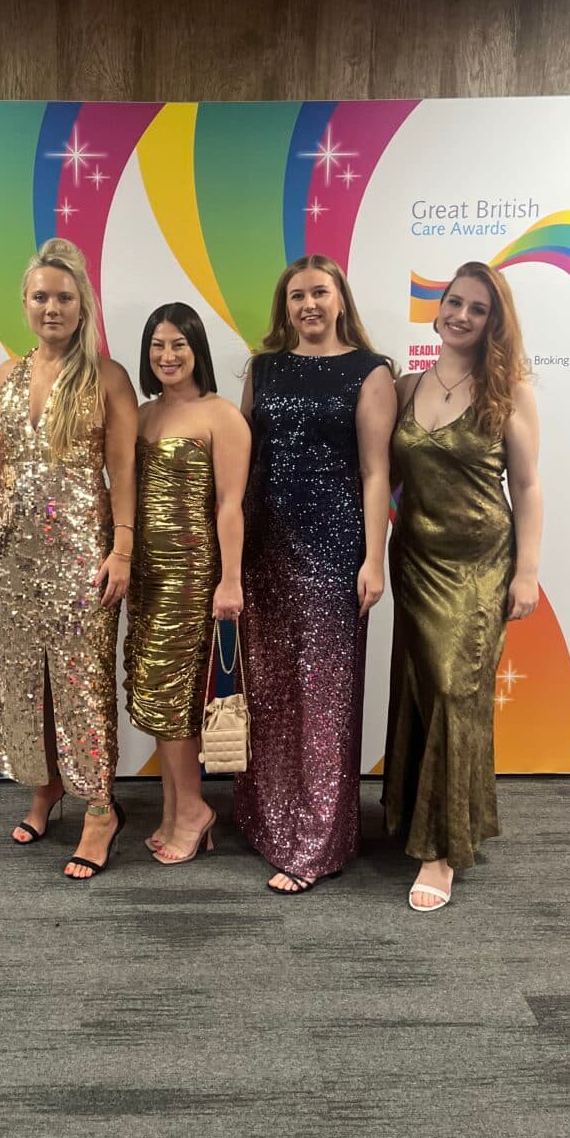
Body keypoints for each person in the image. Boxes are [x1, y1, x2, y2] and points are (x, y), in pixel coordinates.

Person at [0, 238, 138, 881]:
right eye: (40, 296)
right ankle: (46, 784)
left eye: (63, 297)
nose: (51, 307)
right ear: (26, 303)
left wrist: (121, 548)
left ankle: (99, 808)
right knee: (25, 679)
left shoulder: (108, 378)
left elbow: (122, 471)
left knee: (82, 683)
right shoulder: (7, 372)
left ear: (83, 304)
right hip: (14, 555)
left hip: (83, 556)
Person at [234, 254, 397, 895]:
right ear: (286, 306)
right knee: (271, 690)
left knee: (324, 696)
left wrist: (373, 559)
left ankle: (320, 840)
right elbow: (245, 461)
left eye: (319, 293)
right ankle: (269, 821)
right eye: (297, 295)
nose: (308, 305)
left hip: (335, 552)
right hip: (265, 546)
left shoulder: (370, 371)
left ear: (339, 299)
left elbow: (376, 472)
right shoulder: (264, 368)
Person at [382, 261, 542, 913]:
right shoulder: (404, 382)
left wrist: (527, 570)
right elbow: (377, 472)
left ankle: (443, 849)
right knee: (424, 690)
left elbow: (528, 487)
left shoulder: (511, 389)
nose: (462, 316)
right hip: (415, 558)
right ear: (438, 307)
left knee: (456, 691)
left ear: (492, 322)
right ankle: (421, 818)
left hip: (480, 562)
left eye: (478, 309)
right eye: (455, 302)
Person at [124, 303, 251, 866]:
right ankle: (176, 808)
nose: (167, 356)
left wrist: (230, 580)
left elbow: (230, 507)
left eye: (178, 344)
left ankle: (195, 808)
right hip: (145, 575)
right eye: (157, 345)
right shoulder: (142, 415)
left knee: (172, 695)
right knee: (153, 692)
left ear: (196, 348)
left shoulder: (221, 415)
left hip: (192, 577)